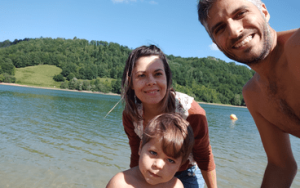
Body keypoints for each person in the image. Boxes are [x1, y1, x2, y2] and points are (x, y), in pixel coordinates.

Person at [198, 0, 299, 187]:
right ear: (216, 43)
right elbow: (281, 166)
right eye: (220, 28)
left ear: (264, 11)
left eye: (240, 14)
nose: (235, 31)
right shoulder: (253, 94)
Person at [121, 45, 217, 188]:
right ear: (131, 83)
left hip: (186, 172)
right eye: (141, 75)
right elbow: (137, 154)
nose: (151, 81)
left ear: (167, 78)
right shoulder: (131, 115)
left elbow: (204, 156)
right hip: (149, 170)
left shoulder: (192, 113)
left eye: (158, 74)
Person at [106, 113, 194, 188]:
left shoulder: (176, 186)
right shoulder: (120, 184)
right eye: (153, 152)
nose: (159, 165)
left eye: (171, 160)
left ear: (180, 165)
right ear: (140, 147)